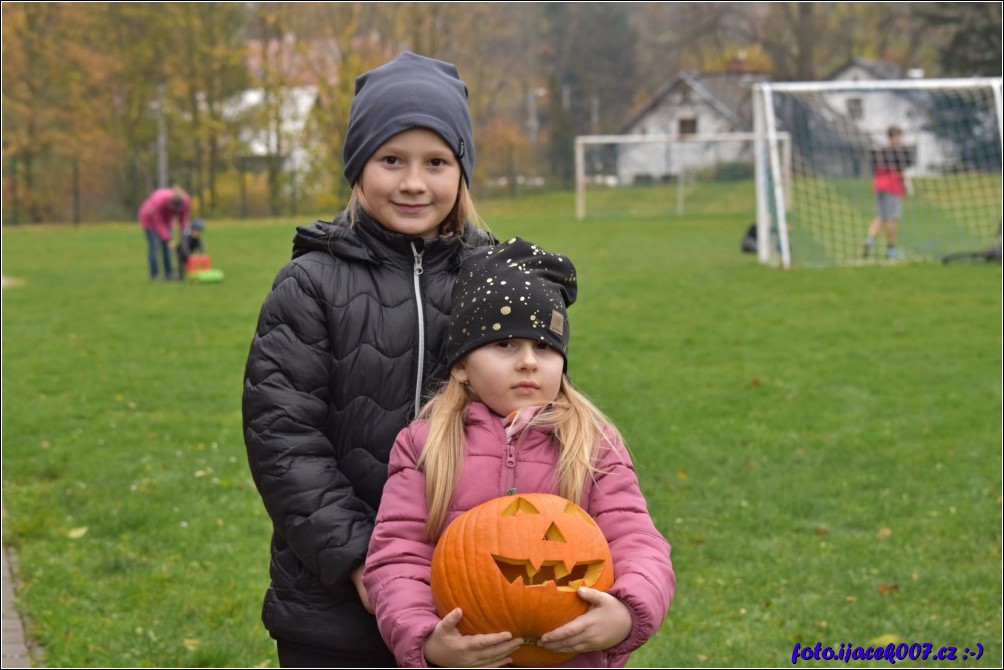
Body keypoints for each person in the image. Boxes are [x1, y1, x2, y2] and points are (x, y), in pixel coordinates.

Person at [242, 51, 493, 668]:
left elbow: (538, 416)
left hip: (467, 591)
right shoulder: (309, 284)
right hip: (332, 602)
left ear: (461, 173)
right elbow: (284, 438)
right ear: (358, 169)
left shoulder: (491, 284)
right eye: (391, 160)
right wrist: (360, 560)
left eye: (436, 162)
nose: (413, 182)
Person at [364, 237, 676, 668]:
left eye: (544, 347)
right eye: (505, 344)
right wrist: (427, 642)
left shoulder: (590, 442)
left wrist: (627, 613)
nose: (529, 361)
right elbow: (398, 557)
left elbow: (638, 541)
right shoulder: (426, 444)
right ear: (461, 365)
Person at [863, 125, 912, 260]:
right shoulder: (898, 153)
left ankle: (869, 239)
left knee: (880, 215)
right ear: (894, 137)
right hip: (892, 186)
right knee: (892, 218)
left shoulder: (880, 151)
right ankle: (891, 250)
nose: (901, 140)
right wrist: (907, 187)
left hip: (879, 185)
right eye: (900, 137)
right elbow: (901, 171)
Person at [138, 185, 191, 280]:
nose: (176, 211)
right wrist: (168, 239)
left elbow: (183, 220)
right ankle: (155, 275)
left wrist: (185, 235)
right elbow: (158, 222)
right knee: (154, 246)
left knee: (168, 250)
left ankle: (169, 274)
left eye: (177, 209)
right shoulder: (159, 201)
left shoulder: (186, 202)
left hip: (167, 220)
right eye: (174, 208)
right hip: (149, 219)